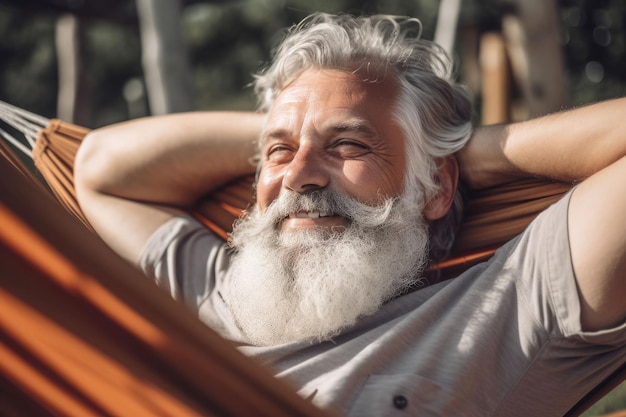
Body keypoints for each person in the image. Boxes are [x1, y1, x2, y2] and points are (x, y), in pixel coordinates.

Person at [74, 12, 626, 417]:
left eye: (349, 146)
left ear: (436, 185)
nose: (298, 177)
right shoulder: (219, 290)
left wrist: (467, 151)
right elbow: (99, 168)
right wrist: (296, 119)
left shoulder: (510, 308)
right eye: (278, 154)